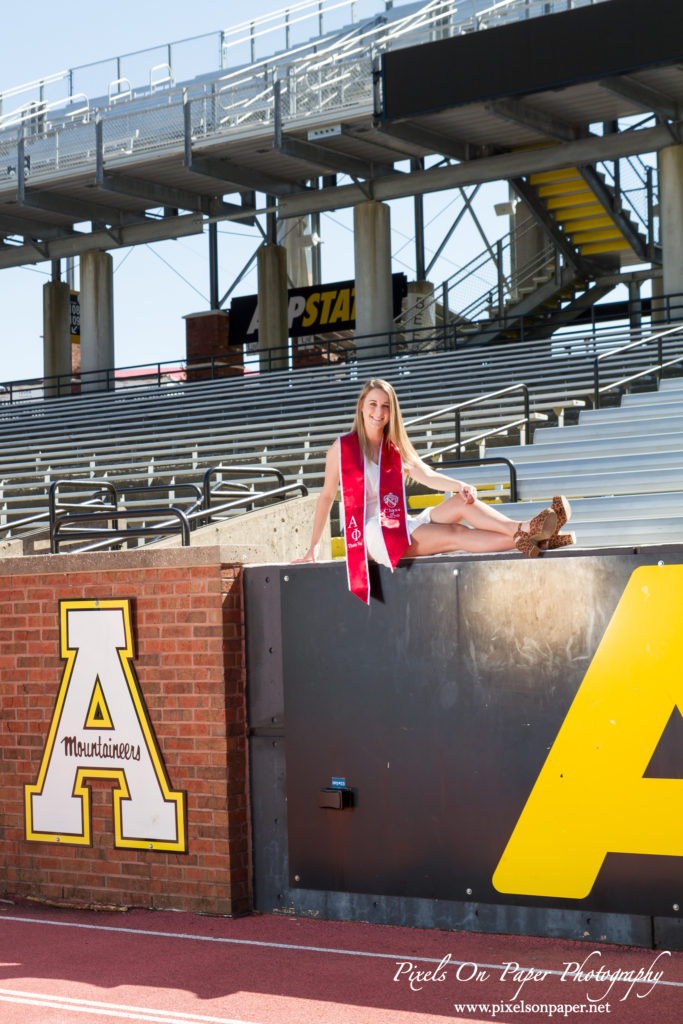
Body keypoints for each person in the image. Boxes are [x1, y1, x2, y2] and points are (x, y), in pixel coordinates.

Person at [295, 378, 573, 601]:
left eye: (385, 406)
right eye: (373, 404)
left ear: (392, 412)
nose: (378, 412)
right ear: (361, 406)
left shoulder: (394, 448)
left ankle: (531, 532)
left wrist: (459, 486)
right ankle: (533, 534)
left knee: (463, 504)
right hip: (372, 533)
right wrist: (313, 549)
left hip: (400, 522)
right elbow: (327, 498)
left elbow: (426, 475)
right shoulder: (342, 449)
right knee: (456, 534)